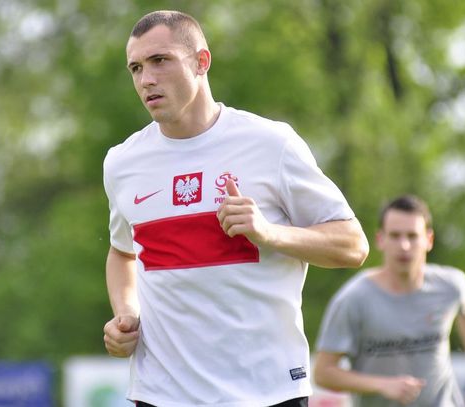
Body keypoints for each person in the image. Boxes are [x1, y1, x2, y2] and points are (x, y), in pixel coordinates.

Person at [101, 10, 369, 407]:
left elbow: (353, 246)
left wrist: (268, 232)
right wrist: (126, 314)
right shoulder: (122, 163)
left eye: (160, 61)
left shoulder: (271, 143)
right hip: (160, 394)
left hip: (267, 391)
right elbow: (123, 252)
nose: (146, 79)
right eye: (136, 68)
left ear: (201, 61)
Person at [314, 195, 465, 406]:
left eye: (412, 236)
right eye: (395, 236)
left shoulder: (451, 286)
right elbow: (323, 373)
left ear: (429, 240)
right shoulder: (353, 299)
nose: (404, 245)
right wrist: (381, 385)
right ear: (380, 239)